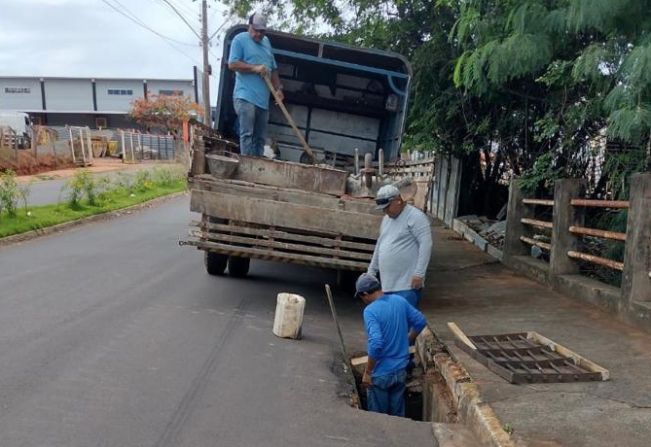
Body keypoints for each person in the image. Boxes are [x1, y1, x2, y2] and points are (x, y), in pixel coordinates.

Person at [355, 273, 427, 417]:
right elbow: (420, 321)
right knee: (397, 416)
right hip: (400, 370)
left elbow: (376, 343)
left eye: (361, 297)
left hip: (381, 373)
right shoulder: (399, 301)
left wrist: (368, 372)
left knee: (378, 419)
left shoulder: (370, 311)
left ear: (365, 294)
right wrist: (408, 339)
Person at [367, 184, 432, 308]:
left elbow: (426, 245)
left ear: (397, 201)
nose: (384, 211)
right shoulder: (386, 219)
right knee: (393, 321)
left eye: (387, 207)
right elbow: (380, 245)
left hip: (407, 286)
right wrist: (371, 271)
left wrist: (419, 273)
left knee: (403, 322)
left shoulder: (416, 217)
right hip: (387, 285)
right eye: (383, 208)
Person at [227, 12, 283, 156]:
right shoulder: (239, 40)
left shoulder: (267, 43)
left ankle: (257, 166)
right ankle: (247, 164)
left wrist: (278, 89)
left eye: (262, 31)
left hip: (262, 101)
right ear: (249, 26)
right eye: (256, 30)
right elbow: (232, 64)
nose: (258, 34)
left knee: (260, 137)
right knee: (247, 134)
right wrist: (255, 68)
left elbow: (273, 68)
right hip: (245, 96)